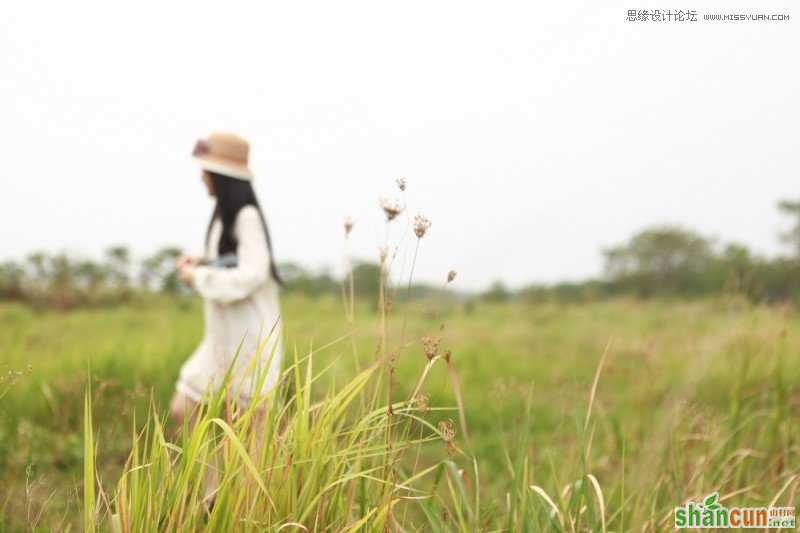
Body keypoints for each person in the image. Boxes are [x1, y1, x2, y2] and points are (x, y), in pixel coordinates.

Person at [169, 132, 283, 426]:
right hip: (222, 339)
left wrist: (196, 276)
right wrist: (202, 261)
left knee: (247, 440)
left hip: (249, 344)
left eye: (205, 171)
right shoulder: (224, 215)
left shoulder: (246, 216)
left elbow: (251, 274)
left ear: (220, 176)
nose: (201, 178)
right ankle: (210, 475)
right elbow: (231, 260)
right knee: (184, 409)